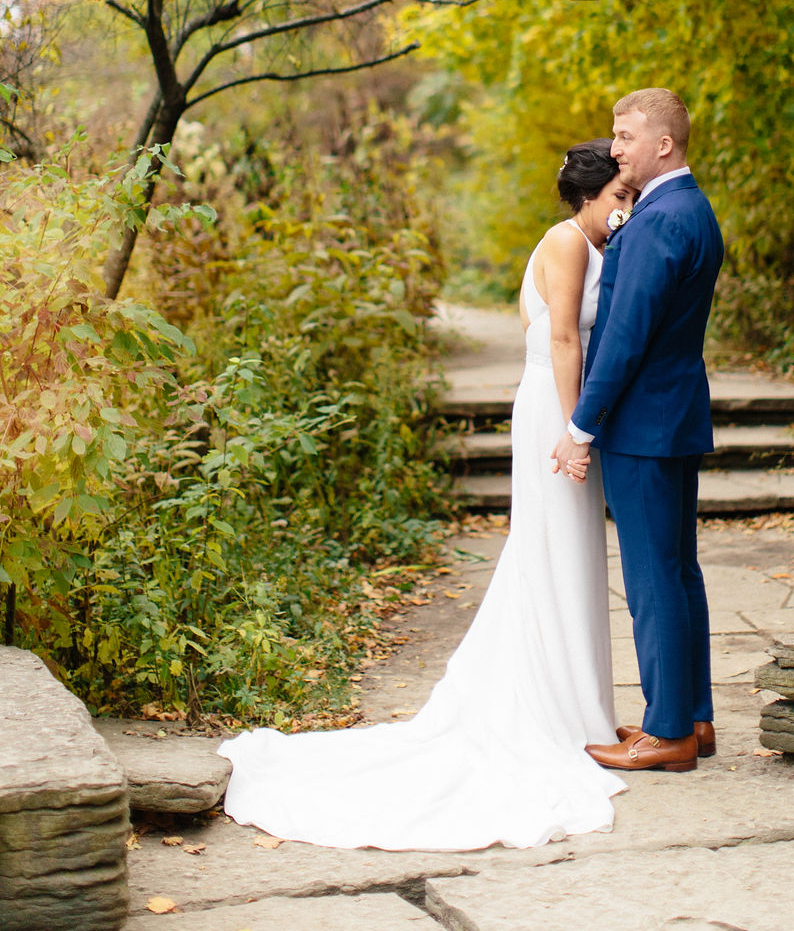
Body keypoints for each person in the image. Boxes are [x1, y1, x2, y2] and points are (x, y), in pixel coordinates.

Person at [217, 141, 638, 851]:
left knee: (566, 555)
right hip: (557, 414)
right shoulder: (568, 243)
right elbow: (562, 337)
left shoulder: (579, 242)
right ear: (591, 198)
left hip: (554, 404)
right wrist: (575, 430)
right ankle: (564, 713)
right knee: (556, 551)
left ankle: (583, 710)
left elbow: (540, 321)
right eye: (618, 198)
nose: (624, 210)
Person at [553, 88, 724, 775]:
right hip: (675, 414)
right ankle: (694, 716)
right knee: (679, 573)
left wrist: (581, 424)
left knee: (654, 581)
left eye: (625, 137)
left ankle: (666, 733)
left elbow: (624, 337)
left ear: (663, 143)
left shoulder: (656, 222)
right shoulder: (693, 209)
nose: (615, 149)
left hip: (642, 427)